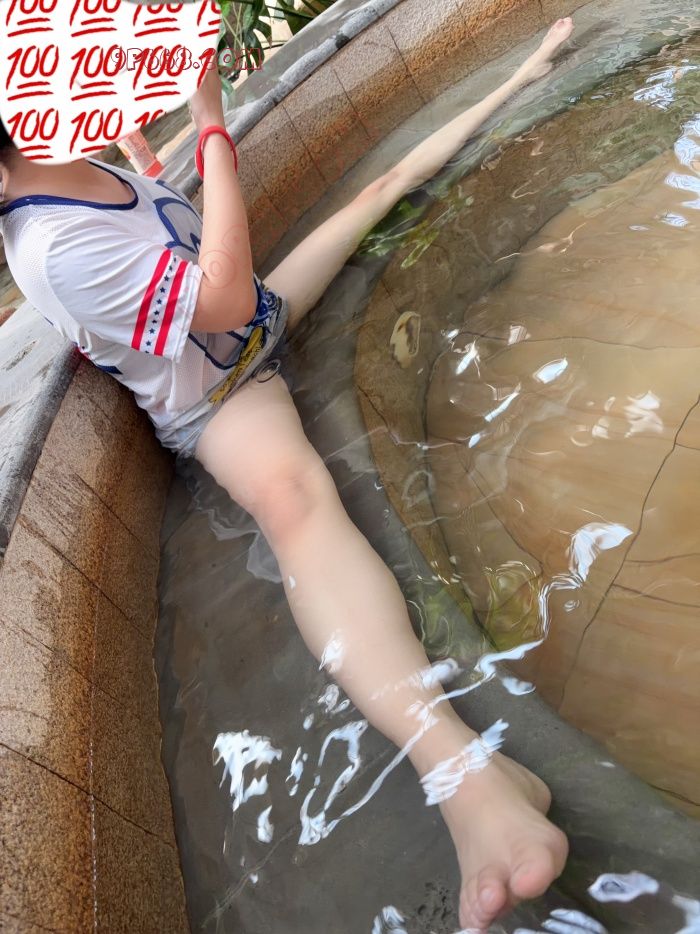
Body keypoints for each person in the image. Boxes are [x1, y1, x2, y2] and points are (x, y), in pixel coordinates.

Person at [0, 18, 574, 932]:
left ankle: (527, 72)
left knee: (380, 187)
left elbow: (211, 277)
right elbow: (219, 293)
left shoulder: (73, 161)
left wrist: (144, 158)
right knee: (296, 503)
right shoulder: (51, 248)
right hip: (223, 397)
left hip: (257, 323)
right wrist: (211, 125)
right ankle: (462, 781)